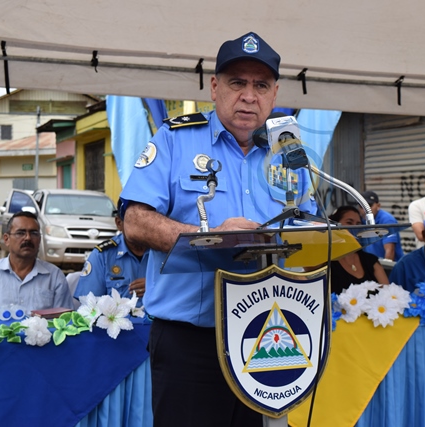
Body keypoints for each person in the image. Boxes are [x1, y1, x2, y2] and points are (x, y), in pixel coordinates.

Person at [120, 32, 316, 426]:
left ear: (275, 94)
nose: (249, 96)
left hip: (268, 335)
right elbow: (135, 222)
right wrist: (209, 239)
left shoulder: (289, 151)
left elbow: (309, 225)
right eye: (237, 83)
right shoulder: (175, 139)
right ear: (214, 87)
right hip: (191, 344)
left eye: (261, 86)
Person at [0, 211, 74, 317]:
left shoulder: (55, 276)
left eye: (34, 233)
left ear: (39, 239)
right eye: (20, 233)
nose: (28, 238)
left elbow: (64, 321)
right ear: (6, 239)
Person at [74, 200, 148, 304]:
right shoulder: (103, 255)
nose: (141, 229)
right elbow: (89, 304)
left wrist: (156, 287)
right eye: (134, 223)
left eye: (146, 223)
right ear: (119, 223)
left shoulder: (164, 252)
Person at [327, 205, 389, 294]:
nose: (354, 228)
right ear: (334, 225)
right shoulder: (325, 262)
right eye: (349, 222)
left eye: (358, 224)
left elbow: (388, 294)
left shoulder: (371, 261)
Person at [361, 191, 404, 262]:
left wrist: (385, 267)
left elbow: (390, 252)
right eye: (362, 207)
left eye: (369, 206)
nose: (365, 210)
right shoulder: (360, 220)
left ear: (378, 206)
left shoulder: (387, 220)